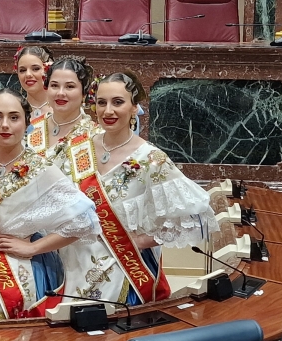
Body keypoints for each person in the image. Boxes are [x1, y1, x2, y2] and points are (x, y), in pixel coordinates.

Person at [50, 70, 214, 304]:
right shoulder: (74, 148)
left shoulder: (151, 159)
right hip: (71, 262)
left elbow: (194, 217)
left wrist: (138, 242)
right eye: (101, 102)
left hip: (124, 267)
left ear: (134, 107)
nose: (108, 111)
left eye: (118, 102)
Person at [0, 90, 100, 320]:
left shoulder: (40, 169)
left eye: (14, 117)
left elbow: (85, 220)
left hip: (15, 268)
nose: (5, 125)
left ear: (27, 122)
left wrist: (34, 248)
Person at [26, 56, 97, 153]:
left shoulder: (94, 135)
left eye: (70, 86)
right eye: (54, 85)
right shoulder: (31, 129)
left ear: (84, 93)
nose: (60, 93)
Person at [14, 45, 53, 121]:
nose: (28, 74)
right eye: (22, 70)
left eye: (35, 69)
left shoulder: (61, 108)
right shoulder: (13, 109)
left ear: (48, 69)